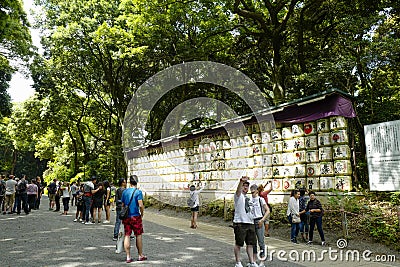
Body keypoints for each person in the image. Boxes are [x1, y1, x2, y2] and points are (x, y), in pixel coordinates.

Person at [233, 176, 258, 267]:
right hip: (240, 222)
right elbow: (238, 190)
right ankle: (238, 262)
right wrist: (241, 181)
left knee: (250, 244)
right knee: (239, 243)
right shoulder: (238, 196)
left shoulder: (249, 198)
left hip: (250, 222)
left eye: (247, 186)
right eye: (244, 186)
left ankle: (251, 262)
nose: (245, 187)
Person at [121, 175, 147, 263]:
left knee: (127, 235)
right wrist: (142, 213)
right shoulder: (138, 192)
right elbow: (140, 205)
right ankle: (140, 255)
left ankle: (128, 256)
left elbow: (123, 205)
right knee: (138, 235)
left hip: (127, 216)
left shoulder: (125, 192)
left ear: (129, 182)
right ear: (137, 182)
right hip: (136, 216)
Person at [250, 184, 270, 267]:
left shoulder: (260, 199)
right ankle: (254, 260)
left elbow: (268, 210)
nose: (252, 193)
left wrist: (262, 220)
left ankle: (262, 261)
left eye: (253, 191)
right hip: (251, 221)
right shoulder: (249, 200)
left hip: (259, 220)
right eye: (251, 192)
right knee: (253, 242)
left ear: (257, 191)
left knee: (261, 242)